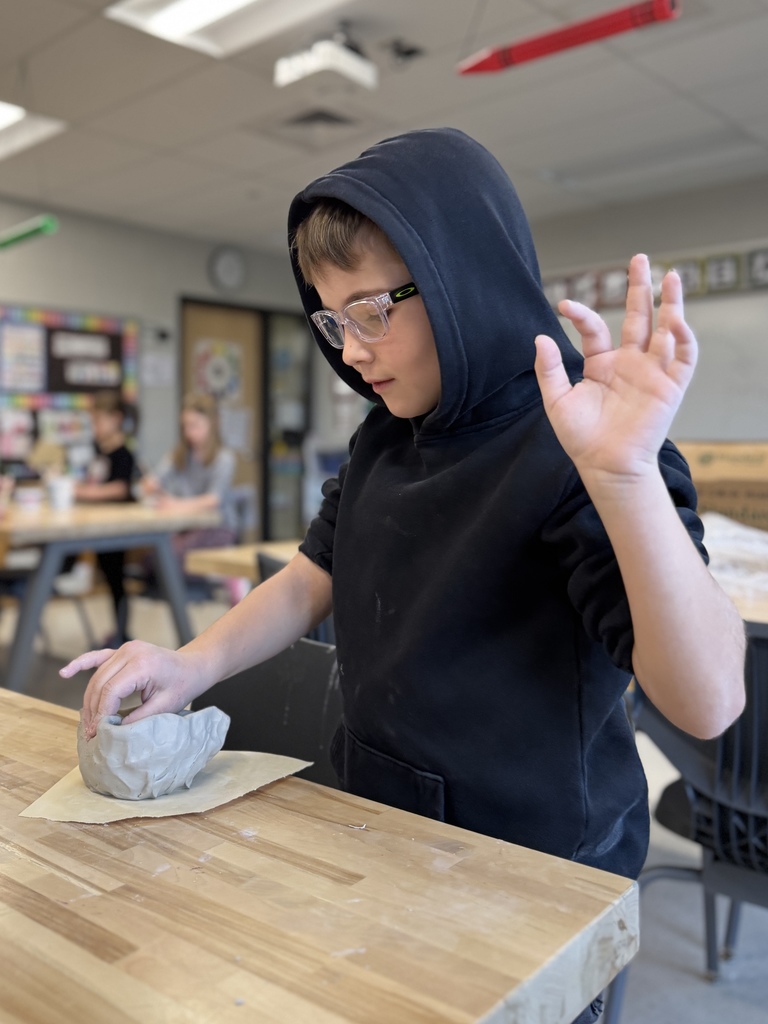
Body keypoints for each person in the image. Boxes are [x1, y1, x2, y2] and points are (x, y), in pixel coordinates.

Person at [64, 129, 745, 1022]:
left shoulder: (580, 439)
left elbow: (707, 701)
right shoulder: (387, 431)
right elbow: (315, 574)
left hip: (530, 872)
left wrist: (623, 478)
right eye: (332, 319)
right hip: (384, 829)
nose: (351, 348)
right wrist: (190, 665)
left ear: (462, 279)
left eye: (374, 310)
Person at [139, 392, 241, 600]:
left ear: (212, 424)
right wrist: (151, 483)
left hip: (219, 527)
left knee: (168, 557)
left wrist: (176, 505)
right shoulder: (181, 454)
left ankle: (215, 584)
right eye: (185, 426)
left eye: (195, 425)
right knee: (151, 557)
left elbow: (214, 500)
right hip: (190, 525)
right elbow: (158, 478)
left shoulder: (224, 459)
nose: (189, 432)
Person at [57, 390, 136, 646]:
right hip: (100, 526)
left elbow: (120, 488)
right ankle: (118, 634)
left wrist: (85, 492)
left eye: (99, 421)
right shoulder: (99, 452)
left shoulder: (124, 453)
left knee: (117, 582)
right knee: (111, 579)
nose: (95, 427)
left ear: (116, 419)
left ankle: (122, 633)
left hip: (119, 528)